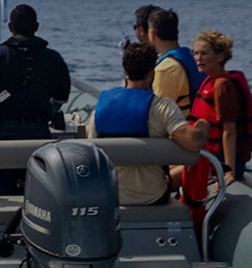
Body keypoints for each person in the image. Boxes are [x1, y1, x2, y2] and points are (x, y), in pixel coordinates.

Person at [87, 43, 207, 206]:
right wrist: (203, 124)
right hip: (153, 196)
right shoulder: (163, 107)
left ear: (125, 70)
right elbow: (193, 142)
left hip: (113, 196)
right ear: (151, 73)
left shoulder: (101, 108)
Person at [0, 3, 70, 196]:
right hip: (39, 130)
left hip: (3, 131)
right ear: (36, 27)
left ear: (10, 27)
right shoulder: (53, 58)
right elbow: (61, 95)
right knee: (40, 189)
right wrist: (50, 112)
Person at [186, 31, 252, 188]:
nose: (198, 58)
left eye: (204, 54)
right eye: (196, 53)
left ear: (220, 56)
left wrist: (228, 171)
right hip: (207, 155)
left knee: (169, 178)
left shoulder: (222, 86)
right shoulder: (211, 79)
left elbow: (229, 131)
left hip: (219, 161)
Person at [147, 7, 202, 107]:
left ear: (152, 34)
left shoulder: (166, 69)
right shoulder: (193, 56)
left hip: (184, 121)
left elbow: (161, 114)